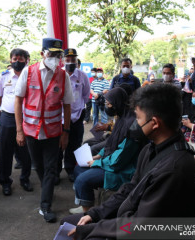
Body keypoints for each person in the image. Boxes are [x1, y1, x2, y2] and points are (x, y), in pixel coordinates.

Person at [62, 84, 195, 240]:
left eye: (138, 117)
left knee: (79, 234)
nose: (134, 123)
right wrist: (95, 213)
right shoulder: (151, 149)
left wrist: (93, 229)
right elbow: (130, 188)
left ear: (155, 123)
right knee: (67, 224)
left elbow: (139, 226)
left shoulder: (173, 169)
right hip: (131, 217)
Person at [14, 38, 73, 223]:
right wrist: (19, 130)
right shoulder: (28, 71)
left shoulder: (64, 76)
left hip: (53, 132)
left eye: (58, 55)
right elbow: (18, 100)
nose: (55, 58)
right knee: (37, 166)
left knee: (50, 169)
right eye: (51, 54)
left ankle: (45, 206)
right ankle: (47, 189)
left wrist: (66, 133)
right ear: (42, 54)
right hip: (31, 131)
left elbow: (67, 106)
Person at [69, 87, 147, 215]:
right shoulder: (122, 118)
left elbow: (121, 159)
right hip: (111, 161)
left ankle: (87, 213)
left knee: (82, 180)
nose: (107, 106)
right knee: (78, 169)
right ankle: (86, 203)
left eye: (109, 103)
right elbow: (112, 142)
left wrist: (98, 163)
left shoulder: (132, 125)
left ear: (118, 103)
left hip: (124, 169)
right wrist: (98, 156)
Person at [0, 48, 33, 196]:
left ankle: (25, 179)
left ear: (27, 60)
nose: (17, 61)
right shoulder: (4, 76)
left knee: (26, 151)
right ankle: (5, 182)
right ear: (10, 60)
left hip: (27, 118)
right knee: (5, 151)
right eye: (14, 58)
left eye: (21, 58)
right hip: (7, 117)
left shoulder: (31, 76)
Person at [57, 48, 90, 183]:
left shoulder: (82, 76)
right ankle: (56, 172)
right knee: (58, 146)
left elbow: (86, 96)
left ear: (77, 61)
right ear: (63, 60)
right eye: (68, 59)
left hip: (77, 117)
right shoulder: (58, 75)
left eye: (73, 60)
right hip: (60, 118)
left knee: (74, 145)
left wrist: (78, 109)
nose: (70, 62)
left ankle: (70, 169)